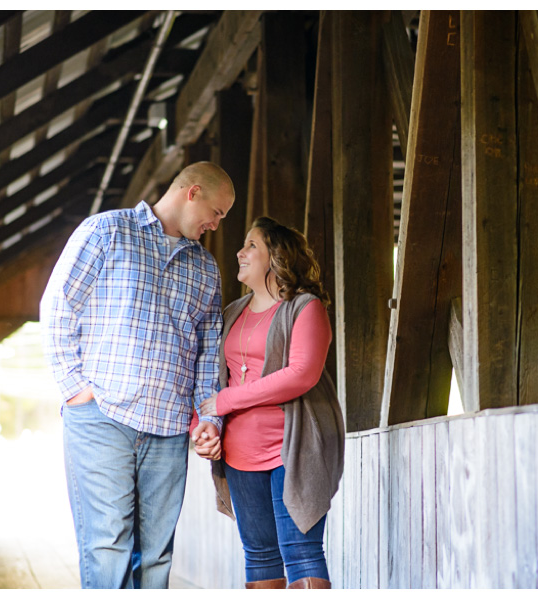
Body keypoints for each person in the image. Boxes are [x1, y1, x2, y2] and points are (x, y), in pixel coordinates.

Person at [41, 161, 235, 588]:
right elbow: (58, 306)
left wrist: (209, 418)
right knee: (107, 546)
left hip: (166, 431)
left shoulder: (205, 269)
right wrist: (75, 388)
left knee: (156, 555)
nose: (217, 225)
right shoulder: (106, 231)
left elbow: (207, 357)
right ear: (194, 192)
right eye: (217, 212)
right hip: (102, 418)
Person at [195, 216, 345, 589]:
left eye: (251, 246)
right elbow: (214, 381)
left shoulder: (304, 308)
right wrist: (210, 426)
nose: (239, 252)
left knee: (302, 551)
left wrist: (225, 402)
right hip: (239, 454)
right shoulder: (232, 313)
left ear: (276, 257)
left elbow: (301, 375)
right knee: (259, 555)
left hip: (291, 451)